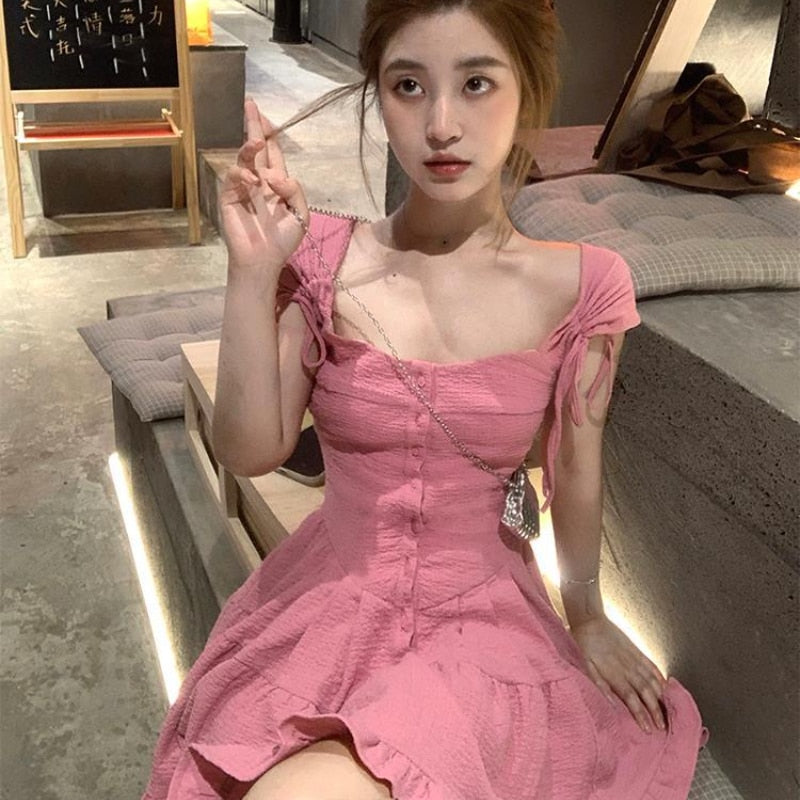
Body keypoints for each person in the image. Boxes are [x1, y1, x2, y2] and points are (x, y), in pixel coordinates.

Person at [143, 1, 706, 798]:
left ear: (528, 88)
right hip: (329, 597)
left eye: (477, 83)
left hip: (478, 622)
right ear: (376, 94)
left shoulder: (582, 285)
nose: (441, 125)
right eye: (409, 85)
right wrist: (252, 272)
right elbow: (250, 450)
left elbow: (579, 467)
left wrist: (586, 614)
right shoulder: (326, 256)